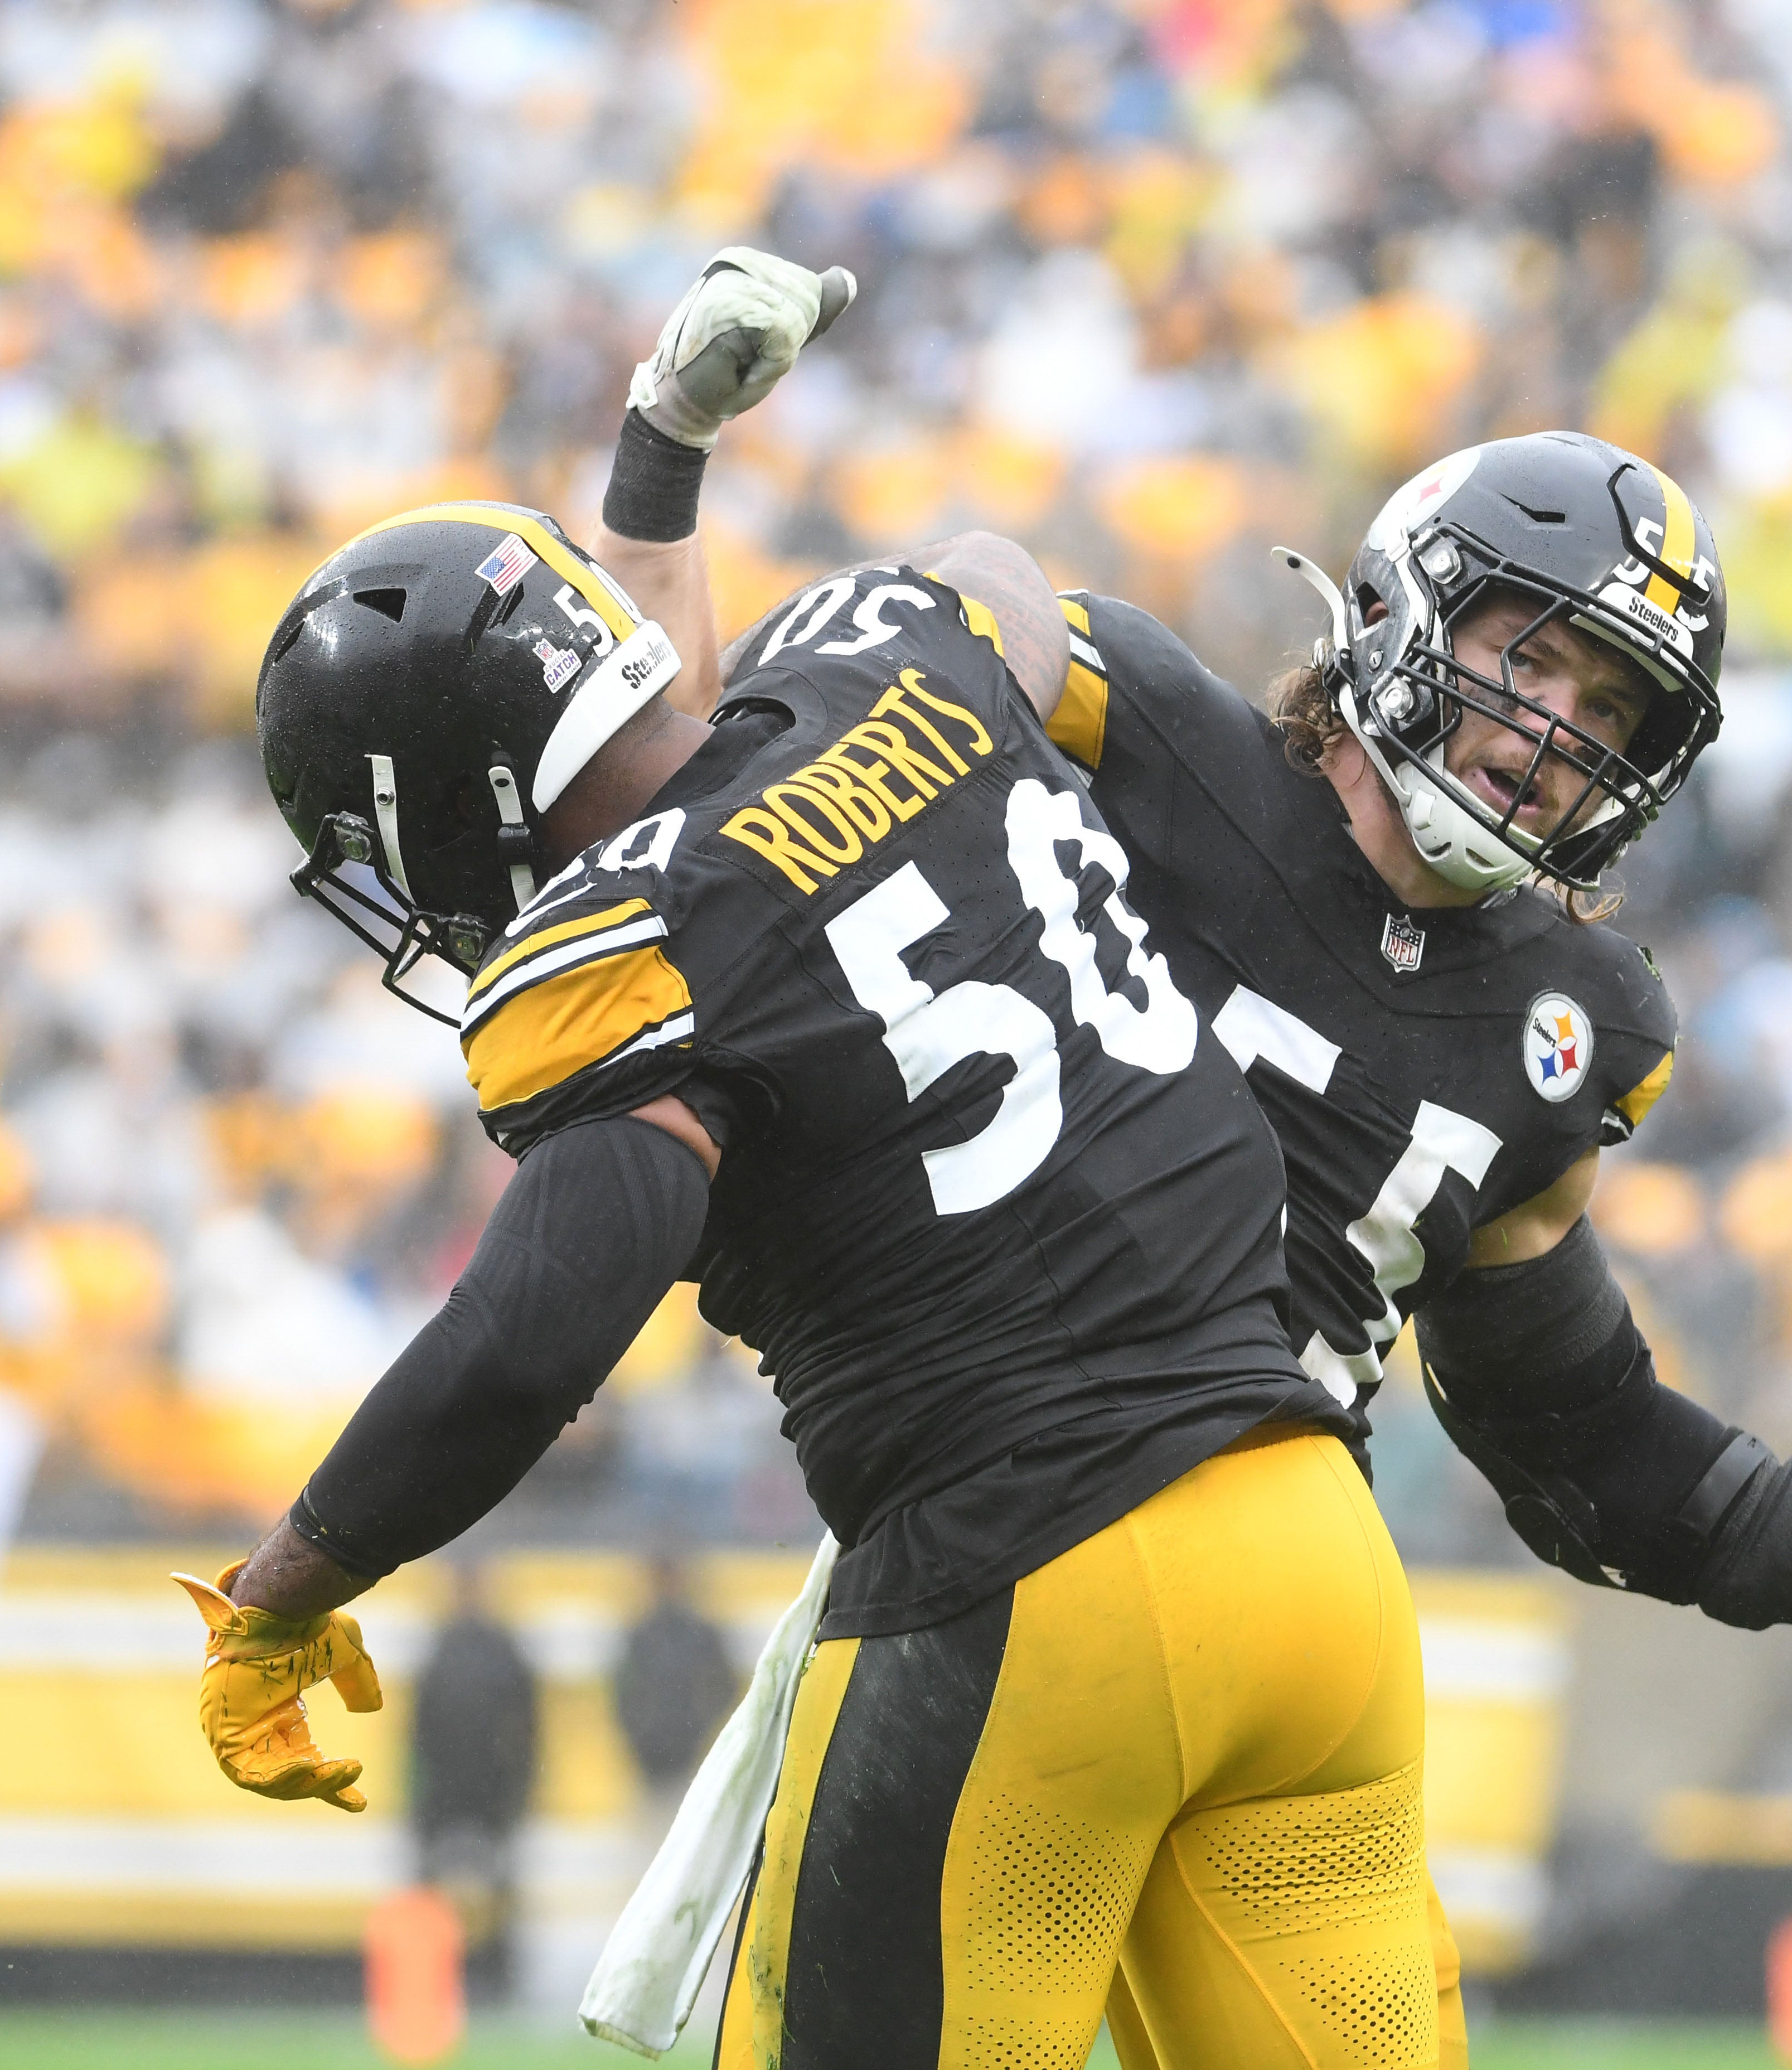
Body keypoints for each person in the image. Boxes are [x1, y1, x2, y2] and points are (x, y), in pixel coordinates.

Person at [669, 265, 1792, 2067]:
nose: (1553, 736)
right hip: (1050, 1523)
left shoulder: (1567, 1018)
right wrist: (728, 504)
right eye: (1534, 656)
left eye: (1611, 707)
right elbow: (926, 643)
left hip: (1214, 1578)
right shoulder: (1145, 736)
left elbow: (1587, 1446)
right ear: (1396, 609)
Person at [176, 249, 1444, 2068]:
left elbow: (540, 1324)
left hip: (1034, 1578)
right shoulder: (892, 655)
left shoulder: (614, 957)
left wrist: (281, 1591)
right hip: (1313, 1552)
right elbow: (987, 600)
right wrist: (663, 452)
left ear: (451, 802)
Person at [408, 1558, 539, 2001]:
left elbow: (525, 1727)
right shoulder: (442, 1646)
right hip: (450, 1795)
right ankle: (438, 1981)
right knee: (438, 1894)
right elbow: (418, 1732)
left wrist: (518, 1791)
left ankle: (497, 1981)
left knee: (498, 1892)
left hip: (488, 1794)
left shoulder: (499, 1649)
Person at [609, 1550, 735, 1830]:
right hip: (653, 1763)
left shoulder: (701, 1634)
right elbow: (623, 1695)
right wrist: (641, 1735)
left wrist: (700, 1729)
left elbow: (723, 1688)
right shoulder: (640, 1636)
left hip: (694, 1760)